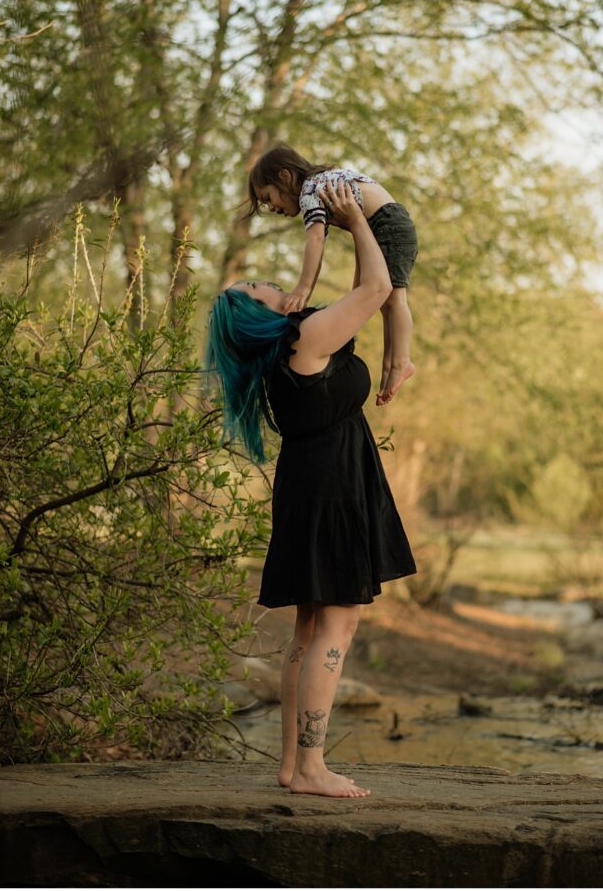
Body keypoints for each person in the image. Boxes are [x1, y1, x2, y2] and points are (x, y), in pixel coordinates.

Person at [206, 179, 417, 798]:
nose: (273, 284)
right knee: (337, 628)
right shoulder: (305, 340)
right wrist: (358, 223)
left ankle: (292, 766)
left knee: (306, 629)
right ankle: (313, 766)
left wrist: (356, 231)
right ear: (258, 313)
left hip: (310, 484)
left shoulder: (289, 347)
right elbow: (376, 291)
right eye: (260, 289)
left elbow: (361, 292)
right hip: (330, 487)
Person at [247, 142, 418, 405]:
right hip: (382, 223)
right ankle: (389, 366)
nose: (271, 208)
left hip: (387, 224)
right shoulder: (319, 183)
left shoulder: (309, 192)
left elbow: (315, 242)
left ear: (284, 176)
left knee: (395, 300)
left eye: (268, 197)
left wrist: (303, 289)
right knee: (384, 304)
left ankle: (401, 361)